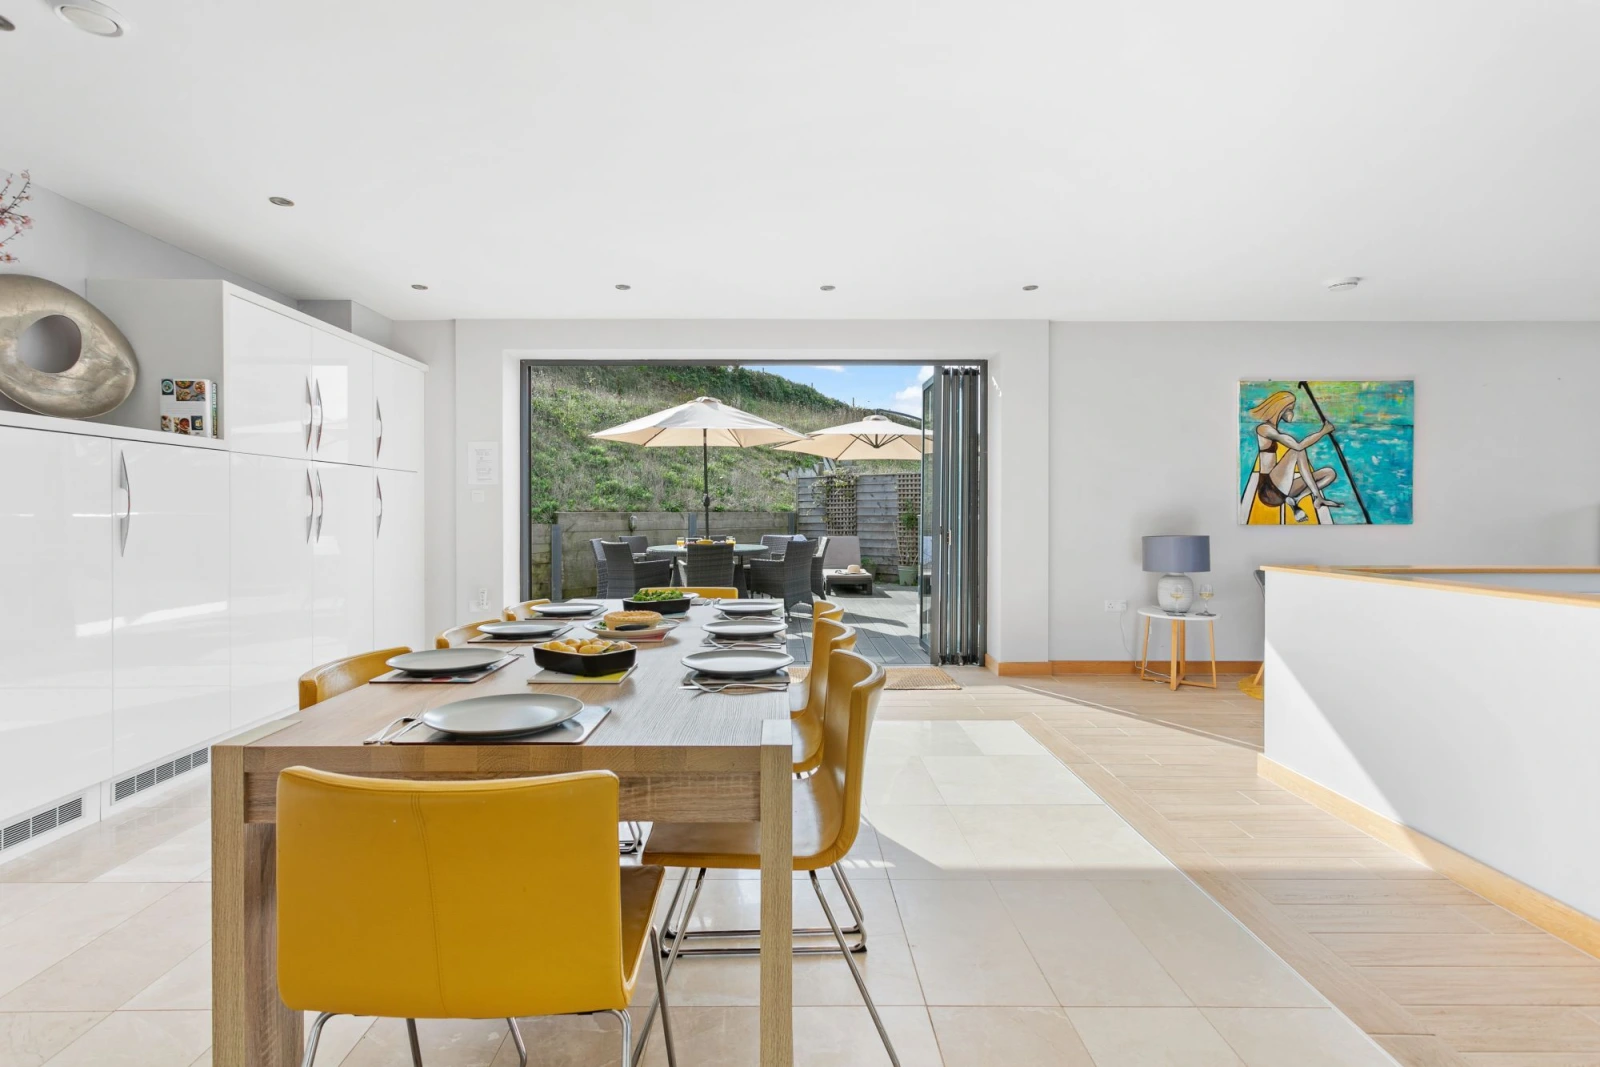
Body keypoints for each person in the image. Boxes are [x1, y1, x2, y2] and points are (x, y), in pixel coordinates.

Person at [1248, 390, 1341, 522]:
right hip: (1269, 490)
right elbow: (1298, 446)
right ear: (1283, 408)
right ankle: (1316, 496)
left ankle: (1297, 499)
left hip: (1282, 488)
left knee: (1329, 473)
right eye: (1291, 409)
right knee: (1298, 450)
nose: (1292, 412)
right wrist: (1322, 432)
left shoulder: (1272, 428)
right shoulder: (1264, 429)